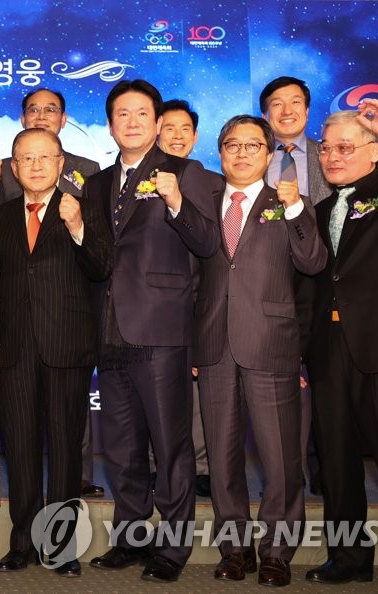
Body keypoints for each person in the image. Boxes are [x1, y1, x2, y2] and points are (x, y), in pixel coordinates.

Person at [85, 79, 219, 583]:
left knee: (170, 446)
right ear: (110, 124)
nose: (132, 122)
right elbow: (97, 256)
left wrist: (178, 202)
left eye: (142, 113)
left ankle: (173, 547)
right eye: (122, 114)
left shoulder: (186, 172)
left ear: (158, 122)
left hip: (162, 330)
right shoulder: (97, 183)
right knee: (122, 448)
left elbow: (208, 244)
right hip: (109, 331)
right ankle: (131, 537)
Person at [193, 115, 326, 586]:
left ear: (269, 155)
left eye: (253, 146)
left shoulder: (289, 203)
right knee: (222, 460)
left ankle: (277, 552)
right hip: (213, 347)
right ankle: (235, 550)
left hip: (271, 345)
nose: (242, 153)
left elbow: (313, 262)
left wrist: (295, 210)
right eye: (233, 145)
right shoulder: (202, 207)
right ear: (220, 153)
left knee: (281, 458)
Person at [0, 127, 111, 576]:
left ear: (61, 163)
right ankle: (21, 542)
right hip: (14, 347)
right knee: (19, 448)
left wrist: (77, 227)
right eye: (26, 158)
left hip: (67, 345)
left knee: (64, 450)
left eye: (45, 157)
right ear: (13, 167)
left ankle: (59, 545)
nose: (36, 166)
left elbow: (102, 266)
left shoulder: (84, 209)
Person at [305, 102, 378, 594]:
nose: (333, 157)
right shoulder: (321, 211)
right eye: (326, 149)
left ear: (374, 152)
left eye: (345, 147)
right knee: (336, 459)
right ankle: (349, 557)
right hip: (329, 348)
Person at [260, 76, 329, 497]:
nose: (287, 111)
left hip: (323, 276)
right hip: (270, 277)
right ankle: (283, 469)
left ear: (307, 109)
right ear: (265, 112)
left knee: (323, 373)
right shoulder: (252, 154)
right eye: (277, 103)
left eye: (296, 102)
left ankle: (323, 464)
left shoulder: (329, 154)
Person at [156, 98, 216, 498]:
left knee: (196, 390)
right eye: (169, 128)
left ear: (195, 137)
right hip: (156, 304)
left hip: (201, 298)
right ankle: (158, 465)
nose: (177, 136)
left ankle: (201, 466)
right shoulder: (139, 179)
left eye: (185, 129)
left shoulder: (212, 181)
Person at [0, 87, 100, 212]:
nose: (41, 117)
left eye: (50, 110)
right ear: (23, 119)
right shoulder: (3, 169)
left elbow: (96, 218)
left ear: (63, 119)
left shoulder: (88, 169)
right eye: (34, 110)